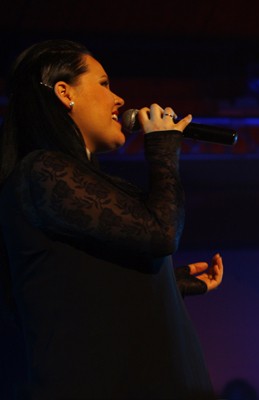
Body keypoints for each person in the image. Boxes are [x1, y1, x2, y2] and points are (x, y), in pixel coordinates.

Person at [0, 39, 224, 399]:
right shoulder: (44, 171)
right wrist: (163, 148)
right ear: (64, 93)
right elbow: (162, 232)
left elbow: (85, 282)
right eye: (104, 84)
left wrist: (170, 283)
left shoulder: (80, 182)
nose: (119, 99)